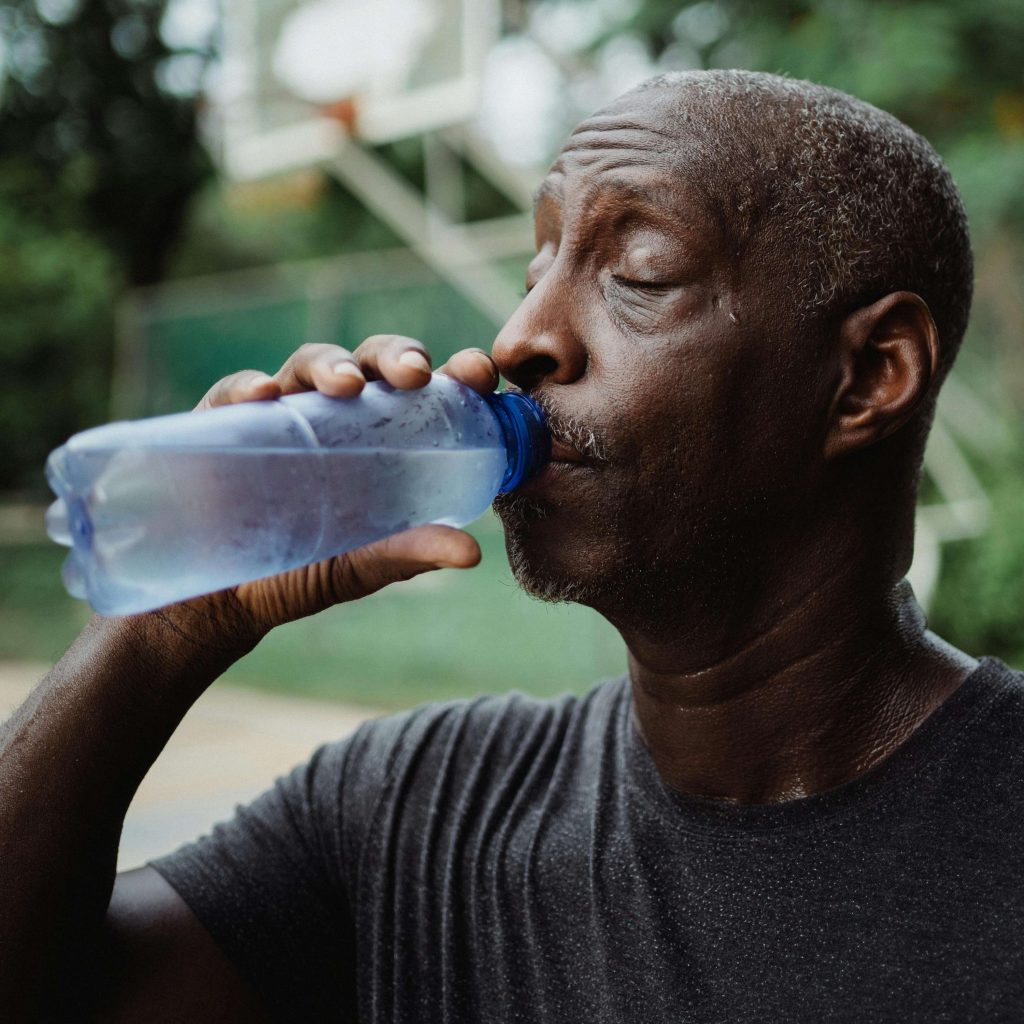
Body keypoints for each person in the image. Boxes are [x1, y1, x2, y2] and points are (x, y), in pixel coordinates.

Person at [2, 69, 1022, 1022]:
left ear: (870, 375)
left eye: (639, 271)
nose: (519, 337)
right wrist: (166, 627)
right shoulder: (411, 808)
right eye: (539, 266)